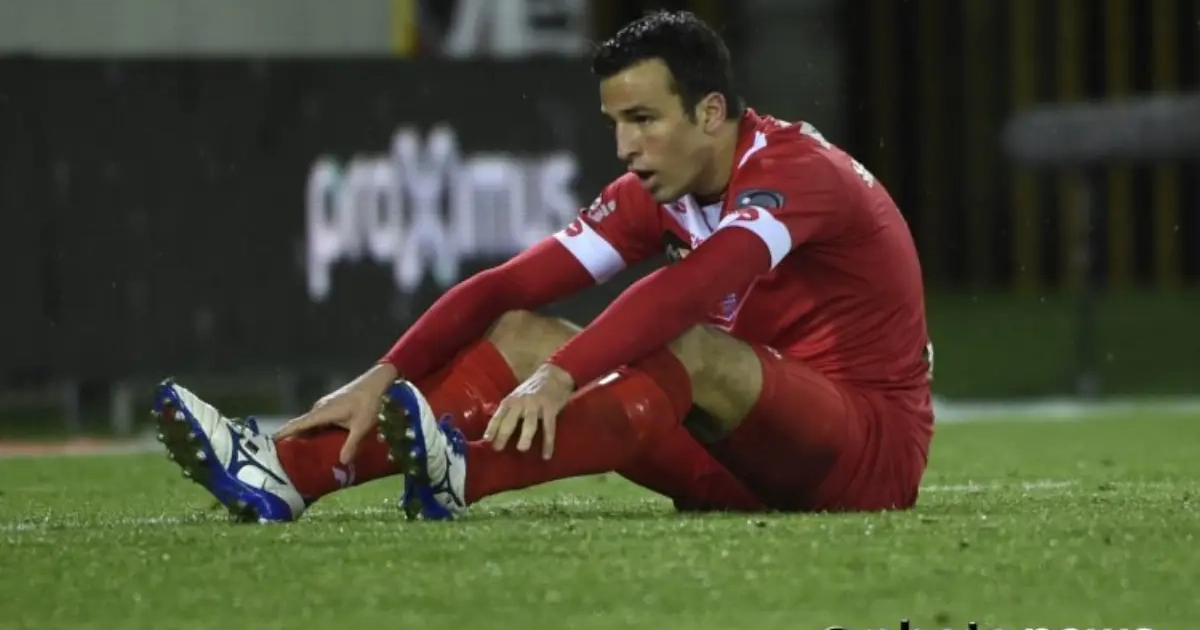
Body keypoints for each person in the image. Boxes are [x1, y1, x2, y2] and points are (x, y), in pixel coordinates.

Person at [151, 9, 935, 524]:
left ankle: (467, 475)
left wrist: (564, 376)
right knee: (523, 332)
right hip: (733, 462)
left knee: (687, 345)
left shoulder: (796, 172)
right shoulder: (654, 189)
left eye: (644, 120)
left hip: (860, 459)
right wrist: (383, 376)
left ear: (709, 112)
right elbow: (508, 286)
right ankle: (286, 474)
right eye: (615, 123)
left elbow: (693, 287)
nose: (626, 147)